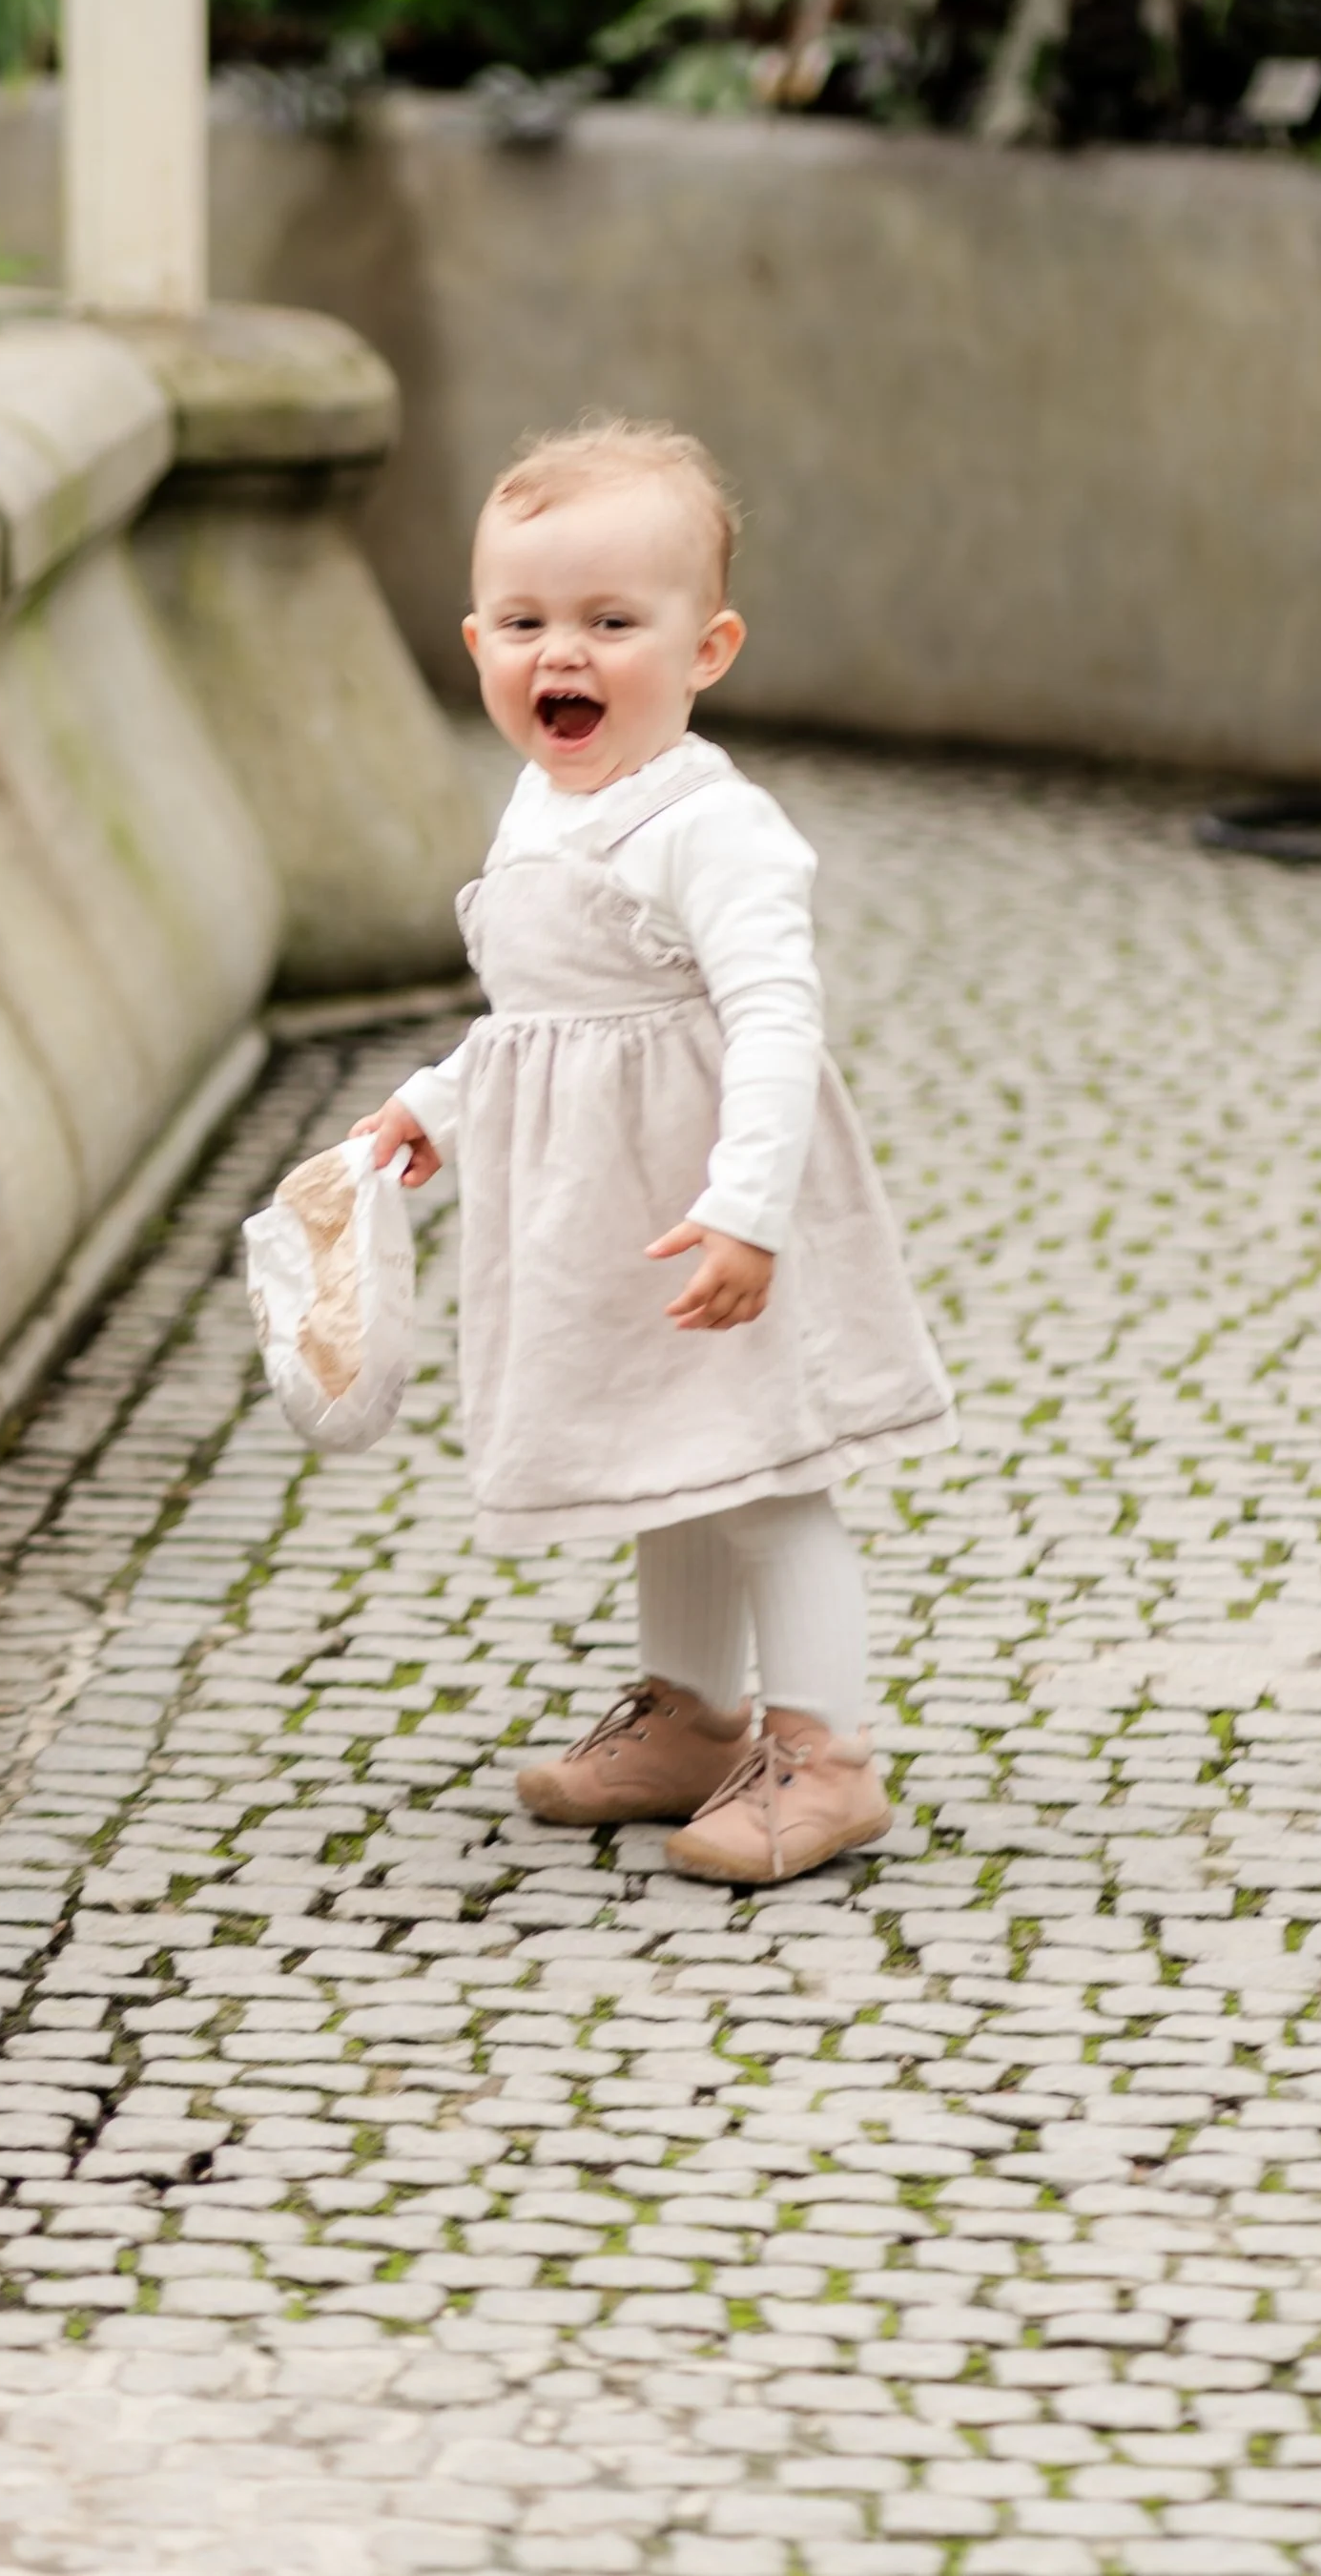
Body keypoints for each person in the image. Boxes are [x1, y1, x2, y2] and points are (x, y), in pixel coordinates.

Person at [354, 418, 955, 1885]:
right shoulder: (544, 800)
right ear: (477, 640)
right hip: (596, 1206)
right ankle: (693, 1717)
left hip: (702, 1195)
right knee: (665, 1459)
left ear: (708, 648)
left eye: (615, 622)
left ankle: (826, 1756)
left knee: (762, 1471)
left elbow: (773, 1018)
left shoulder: (711, 827)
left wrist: (747, 1206)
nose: (566, 652)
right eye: (527, 622)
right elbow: (536, 1018)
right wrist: (434, 1104)